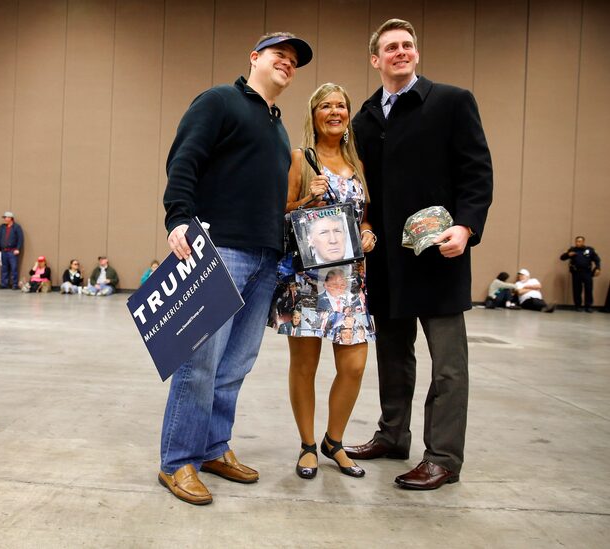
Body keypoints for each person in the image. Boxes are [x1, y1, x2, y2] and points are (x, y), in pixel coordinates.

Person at [159, 31, 312, 505]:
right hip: (221, 249)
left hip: (267, 256)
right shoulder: (220, 101)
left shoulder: (278, 125)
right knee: (199, 363)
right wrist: (179, 216)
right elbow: (184, 159)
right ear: (254, 57)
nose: (287, 63)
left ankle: (211, 448)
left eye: (293, 61)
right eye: (279, 55)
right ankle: (178, 461)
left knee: (236, 365)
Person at [344, 19, 493, 490]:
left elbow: (476, 171)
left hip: (439, 256)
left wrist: (466, 227)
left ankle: (444, 457)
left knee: (448, 364)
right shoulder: (364, 117)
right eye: (391, 47)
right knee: (392, 354)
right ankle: (393, 434)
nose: (401, 52)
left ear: (417, 54)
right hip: (386, 262)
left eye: (408, 45)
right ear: (376, 59)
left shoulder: (451, 101)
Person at [268, 83, 376, 481]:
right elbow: (281, 210)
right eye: (326, 106)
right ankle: (308, 445)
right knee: (304, 365)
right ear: (313, 115)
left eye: (341, 106)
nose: (335, 112)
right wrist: (306, 201)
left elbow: (363, 217)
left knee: (355, 365)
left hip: (350, 280)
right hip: (308, 281)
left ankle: (335, 440)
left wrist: (369, 233)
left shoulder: (358, 164)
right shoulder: (303, 158)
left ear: (348, 116)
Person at [560, 236, 601, 312]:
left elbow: (597, 259)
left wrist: (598, 268)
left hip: (587, 272)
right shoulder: (572, 250)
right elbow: (562, 258)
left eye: (579, 241)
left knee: (588, 289)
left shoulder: (589, 250)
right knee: (577, 290)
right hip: (576, 272)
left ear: (583, 242)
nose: (578, 243)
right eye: (576, 241)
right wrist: (568, 255)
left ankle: (588, 306)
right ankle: (578, 306)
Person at [0, 211, 23, 289]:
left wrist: (17, 249)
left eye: (6, 217)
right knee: (4, 268)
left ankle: (14, 284)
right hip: (3, 251)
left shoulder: (17, 227)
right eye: (4, 217)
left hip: (12, 251)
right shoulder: (2, 227)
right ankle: (4, 284)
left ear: (10, 218)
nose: (4, 219)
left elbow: (20, 239)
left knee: (14, 268)